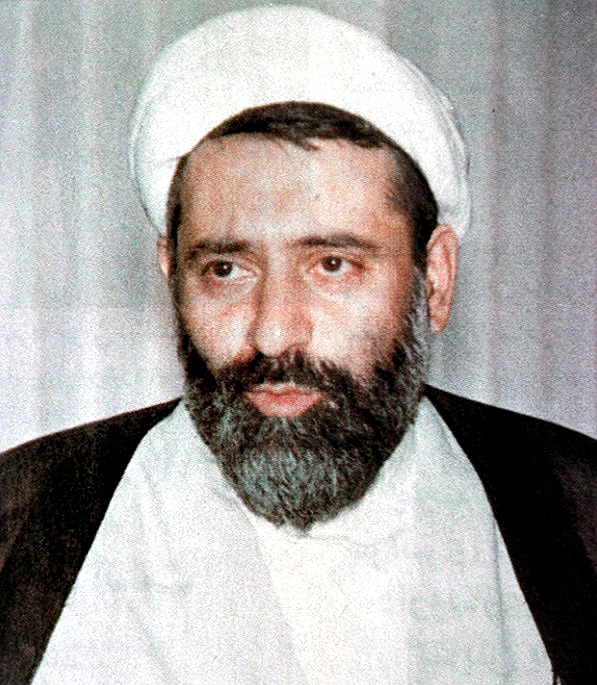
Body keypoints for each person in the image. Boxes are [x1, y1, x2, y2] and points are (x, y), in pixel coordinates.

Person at [0, 5, 594, 685]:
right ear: (171, 276)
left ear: (434, 277)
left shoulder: (576, 517)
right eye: (226, 269)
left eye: (332, 265)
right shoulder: (21, 519)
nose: (274, 331)